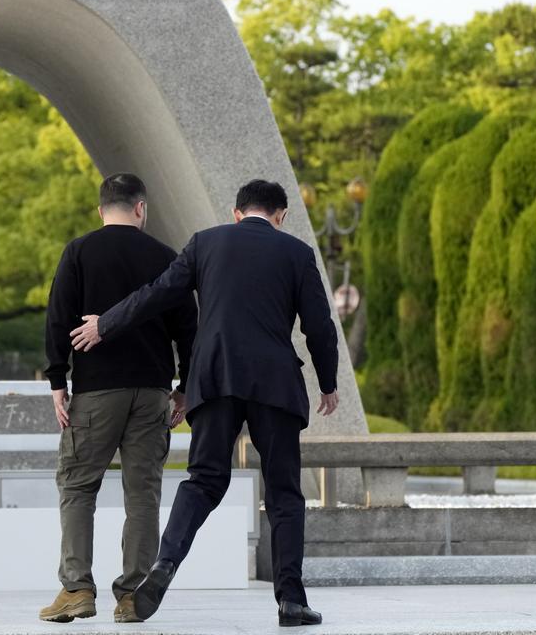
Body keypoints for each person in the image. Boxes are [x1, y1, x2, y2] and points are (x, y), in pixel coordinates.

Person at [70, 178, 339, 628]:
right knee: (284, 492)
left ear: (236, 213)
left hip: (215, 377)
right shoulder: (296, 253)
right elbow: (320, 327)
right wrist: (328, 382)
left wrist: (106, 324)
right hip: (274, 382)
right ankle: (291, 600)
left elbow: (155, 295)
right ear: (281, 216)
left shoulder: (205, 243)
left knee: (203, 480)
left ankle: (164, 565)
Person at [38, 172, 198, 624]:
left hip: (96, 390)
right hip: (151, 392)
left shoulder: (80, 252)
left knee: (78, 485)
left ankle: (76, 588)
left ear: (101, 209)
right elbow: (190, 328)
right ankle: (132, 596)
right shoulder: (167, 257)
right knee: (142, 493)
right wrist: (184, 387)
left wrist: (57, 380)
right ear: (141, 209)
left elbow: (57, 318)